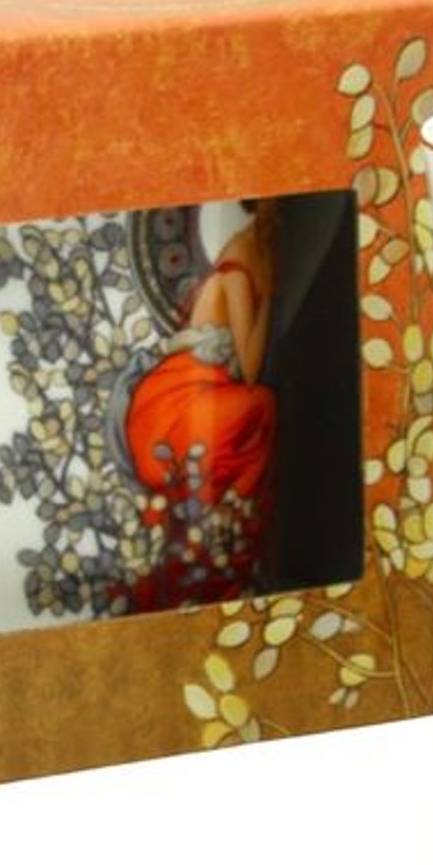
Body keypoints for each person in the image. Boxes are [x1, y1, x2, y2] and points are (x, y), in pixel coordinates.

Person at [122, 199, 279, 607]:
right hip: (176, 402)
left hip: (200, 395)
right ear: (258, 207)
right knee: (262, 403)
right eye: (272, 206)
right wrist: (271, 296)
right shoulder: (241, 260)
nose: (278, 213)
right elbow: (250, 366)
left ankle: (224, 550)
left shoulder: (260, 251)